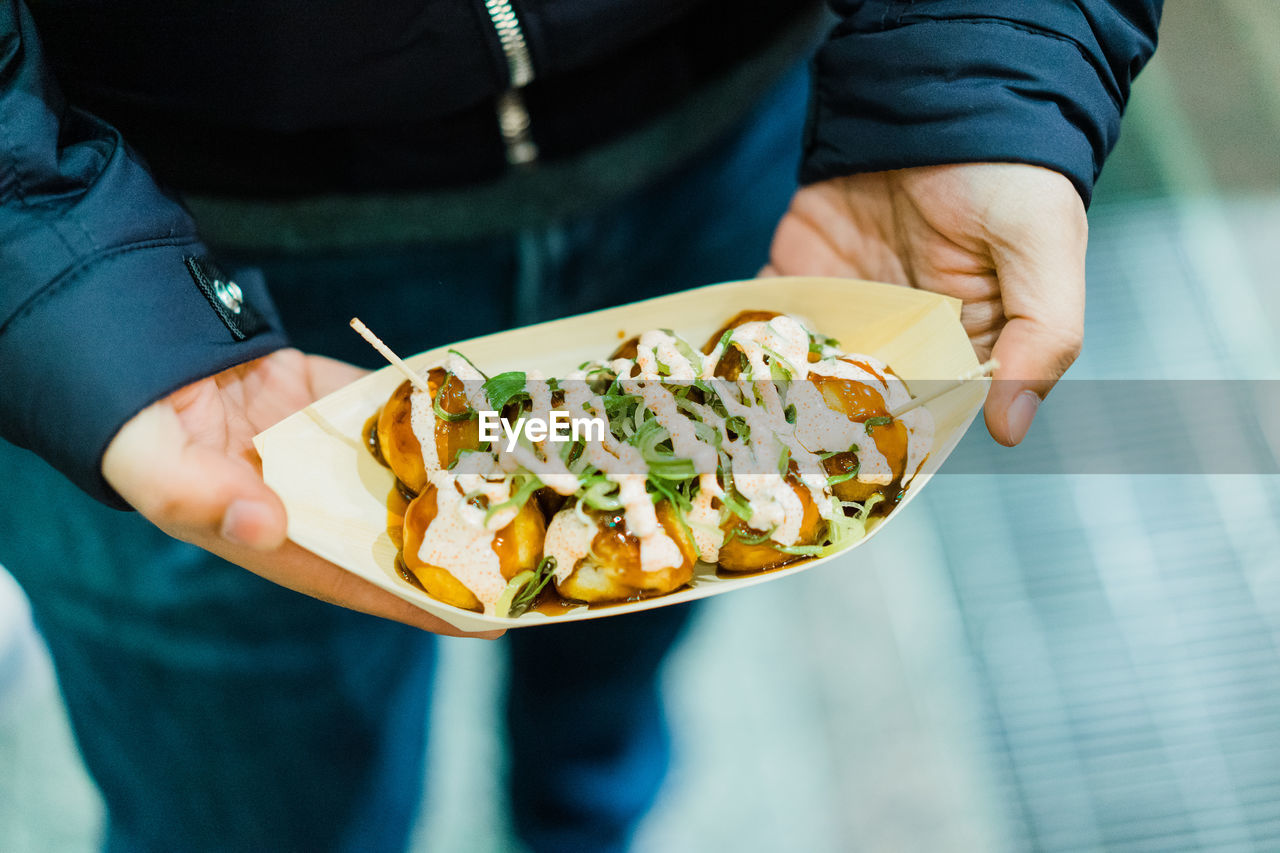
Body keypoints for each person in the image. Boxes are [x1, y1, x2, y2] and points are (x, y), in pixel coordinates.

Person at [0, 1, 1162, 850]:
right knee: (247, 809)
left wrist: (982, 53)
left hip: (737, 134)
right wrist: (50, 276)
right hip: (157, 247)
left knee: (621, 654)